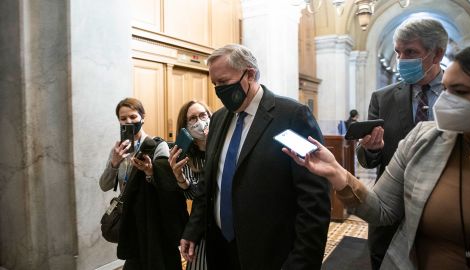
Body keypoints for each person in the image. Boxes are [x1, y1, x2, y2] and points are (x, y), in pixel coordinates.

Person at [283, 42, 470, 270]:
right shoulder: (423, 139)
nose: (446, 100)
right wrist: (337, 172)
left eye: (461, 91)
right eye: (445, 89)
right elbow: (382, 209)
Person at [180, 44, 331, 270]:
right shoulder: (220, 119)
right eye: (214, 85)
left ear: (249, 74)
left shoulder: (290, 117)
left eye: (223, 82)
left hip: (270, 254)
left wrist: (302, 263)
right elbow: (209, 185)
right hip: (221, 248)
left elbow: (313, 199)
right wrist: (193, 229)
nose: (219, 91)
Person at [356, 18, 448, 269]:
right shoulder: (382, 98)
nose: (402, 59)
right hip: (390, 209)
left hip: (444, 209)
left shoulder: (460, 92)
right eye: (398, 52)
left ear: (438, 52)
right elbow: (367, 159)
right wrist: (370, 149)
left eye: (411, 52)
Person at [99, 97, 188, 270]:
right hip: (130, 218)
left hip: (153, 217)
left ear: (142, 117)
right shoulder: (119, 150)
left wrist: (150, 171)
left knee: (158, 260)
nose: (129, 121)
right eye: (123, 118)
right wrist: (114, 163)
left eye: (133, 116)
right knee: (134, 259)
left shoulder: (156, 146)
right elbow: (104, 185)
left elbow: (167, 186)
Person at [168, 100, 212, 270]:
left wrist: (212, 145)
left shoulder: (222, 144)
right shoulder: (185, 155)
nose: (199, 122)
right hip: (201, 222)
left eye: (202, 115)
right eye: (192, 118)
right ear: (185, 125)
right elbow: (194, 194)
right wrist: (179, 177)